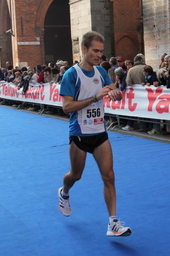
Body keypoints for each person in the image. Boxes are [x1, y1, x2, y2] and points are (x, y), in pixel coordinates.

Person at [58, 31, 132, 237]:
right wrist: (94, 98)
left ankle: (113, 223)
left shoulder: (101, 71)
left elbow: (111, 88)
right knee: (76, 175)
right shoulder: (71, 74)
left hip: (100, 132)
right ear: (84, 49)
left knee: (109, 176)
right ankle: (64, 193)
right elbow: (66, 107)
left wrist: (115, 93)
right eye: (95, 51)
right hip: (79, 134)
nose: (99, 55)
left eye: (101, 51)